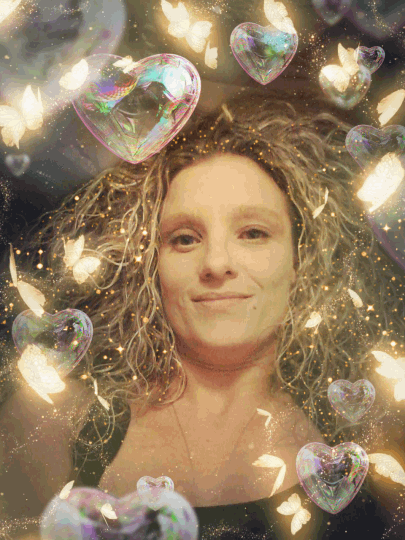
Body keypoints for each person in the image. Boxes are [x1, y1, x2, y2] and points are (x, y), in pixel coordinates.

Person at [0, 88, 403, 539]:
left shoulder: (374, 448)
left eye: (253, 233)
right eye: (185, 239)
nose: (215, 264)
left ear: (298, 262)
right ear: (152, 268)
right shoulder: (53, 428)